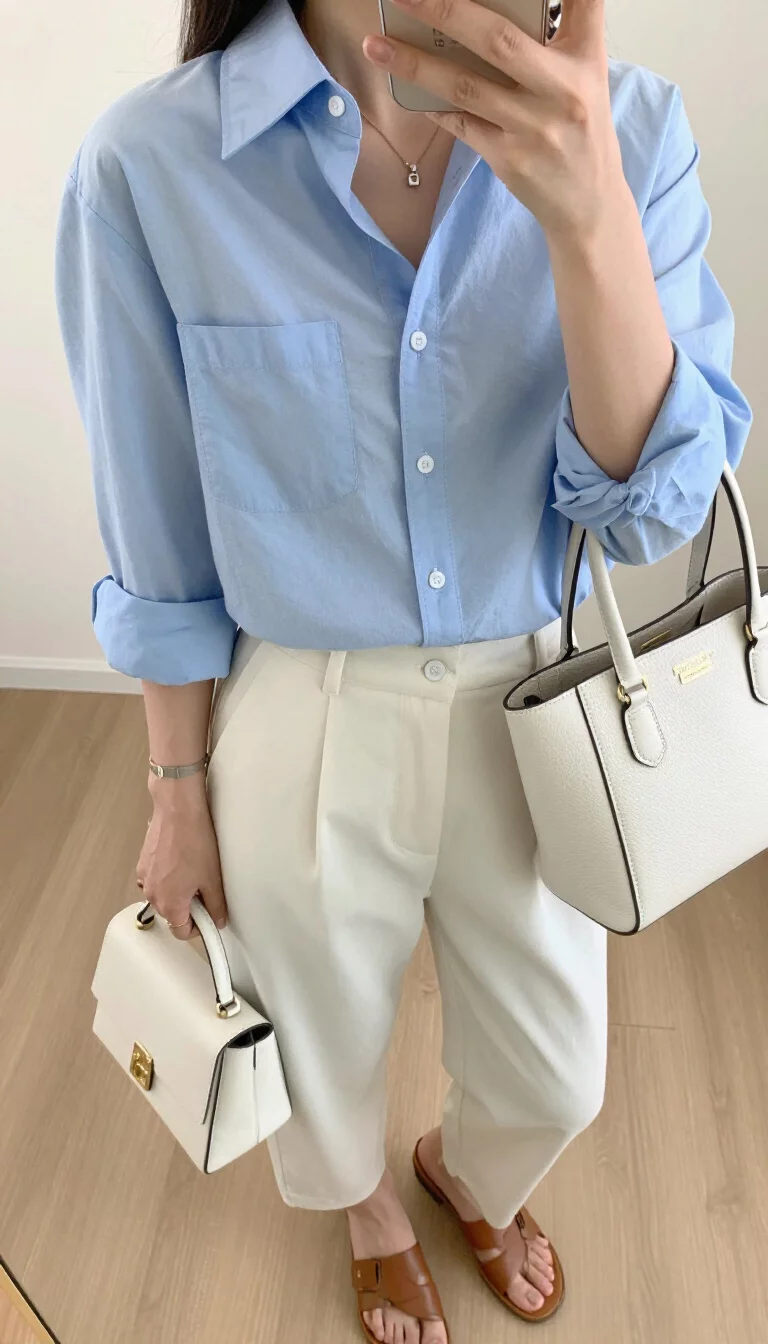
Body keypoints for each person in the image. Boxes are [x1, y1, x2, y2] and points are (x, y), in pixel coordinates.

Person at [53, 0, 752, 1339]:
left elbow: (650, 515)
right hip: (301, 699)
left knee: (562, 1075)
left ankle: (470, 1171)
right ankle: (369, 1206)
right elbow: (155, 533)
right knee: (316, 1045)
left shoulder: (634, 129)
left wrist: (589, 214)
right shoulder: (150, 166)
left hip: (535, 694)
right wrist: (175, 791)